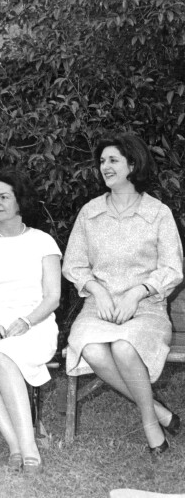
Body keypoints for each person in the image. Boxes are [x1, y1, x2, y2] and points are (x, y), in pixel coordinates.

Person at [63, 132, 183, 456]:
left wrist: (138, 293)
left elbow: (173, 267)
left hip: (146, 309)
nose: (105, 166)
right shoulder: (90, 213)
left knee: (123, 347)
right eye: (102, 161)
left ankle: (150, 425)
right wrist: (97, 291)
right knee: (92, 348)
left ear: (132, 164)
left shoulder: (158, 214)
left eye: (113, 160)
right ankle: (158, 411)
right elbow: (73, 264)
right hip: (98, 309)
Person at [0, 170, 61, 475]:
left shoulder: (42, 242)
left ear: (20, 201)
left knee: (4, 358)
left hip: (35, 323)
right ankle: (14, 444)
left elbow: (53, 297)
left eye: (4, 196)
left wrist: (27, 322)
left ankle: (30, 449)